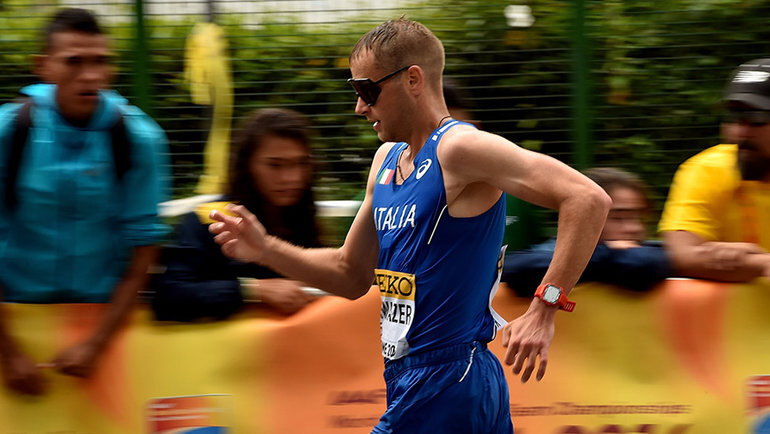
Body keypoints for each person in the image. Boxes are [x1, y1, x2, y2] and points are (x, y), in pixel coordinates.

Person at [209, 19, 610, 433]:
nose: (359, 107)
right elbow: (350, 274)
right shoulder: (386, 161)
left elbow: (587, 198)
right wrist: (264, 249)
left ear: (413, 79)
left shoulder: (460, 148)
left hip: (451, 380)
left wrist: (545, 307)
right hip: (411, 379)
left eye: (367, 91)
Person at [0, 8, 168, 395]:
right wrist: (8, 352)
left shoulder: (139, 139)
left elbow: (144, 254)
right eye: (74, 62)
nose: (91, 76)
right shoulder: (11, 132)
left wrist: (97, 344)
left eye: (101, 62)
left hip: (100, 330)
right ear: (43, 66)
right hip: (13, 322)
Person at [151, 108, 320, 321]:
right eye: (274, 165)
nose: (291, 177)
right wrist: (253, 290)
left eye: (301, 163)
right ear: (247, 165)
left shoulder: (301, 217)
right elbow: (169, 294)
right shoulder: (210, 219)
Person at [659, 58, 770, 282]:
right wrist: (762, 262)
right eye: (733, 117)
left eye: (756, 119)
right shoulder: (705, 169)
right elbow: (680, 255)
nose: (740, 131)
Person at [504, 167, 670, 294]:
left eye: (639, 218)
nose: (635, 228)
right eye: (618, 218)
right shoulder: (548, 253)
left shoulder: (652, 252)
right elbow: (517, 270)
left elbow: (645, 264)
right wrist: (607, 253)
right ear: (582, 218)